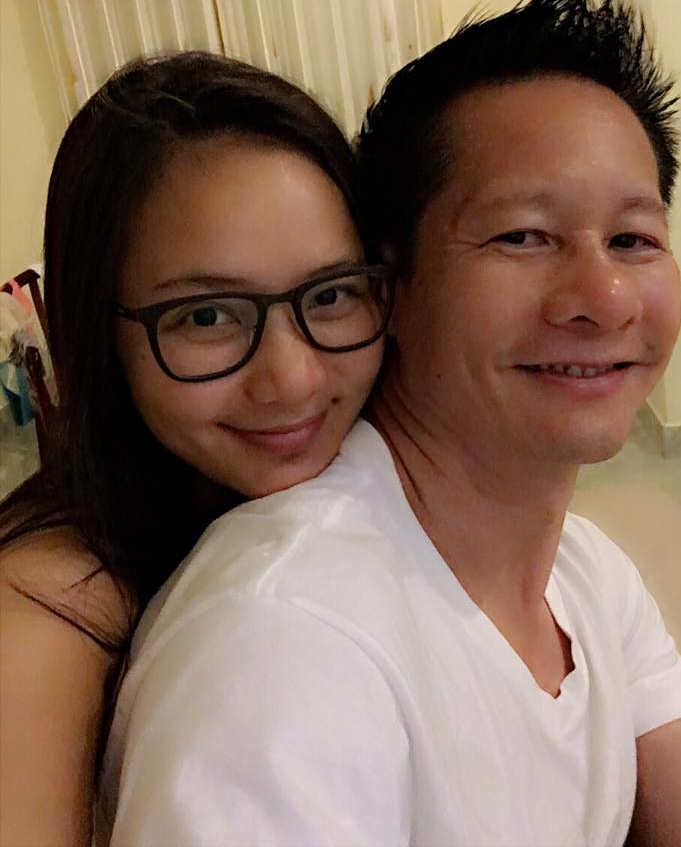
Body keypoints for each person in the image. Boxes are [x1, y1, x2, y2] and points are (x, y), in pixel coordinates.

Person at [101, 0, 681, 846]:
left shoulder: (587, 574)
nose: (606, 297)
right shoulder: (285, 647)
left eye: (633, 239)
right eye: (522, 236)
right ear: (389, 288)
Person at [0, 52, 392, 846]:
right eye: (206, 316)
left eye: (329, 294)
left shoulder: (386, 462)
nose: (292, 379)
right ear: (99, 336)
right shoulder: (49, 603)